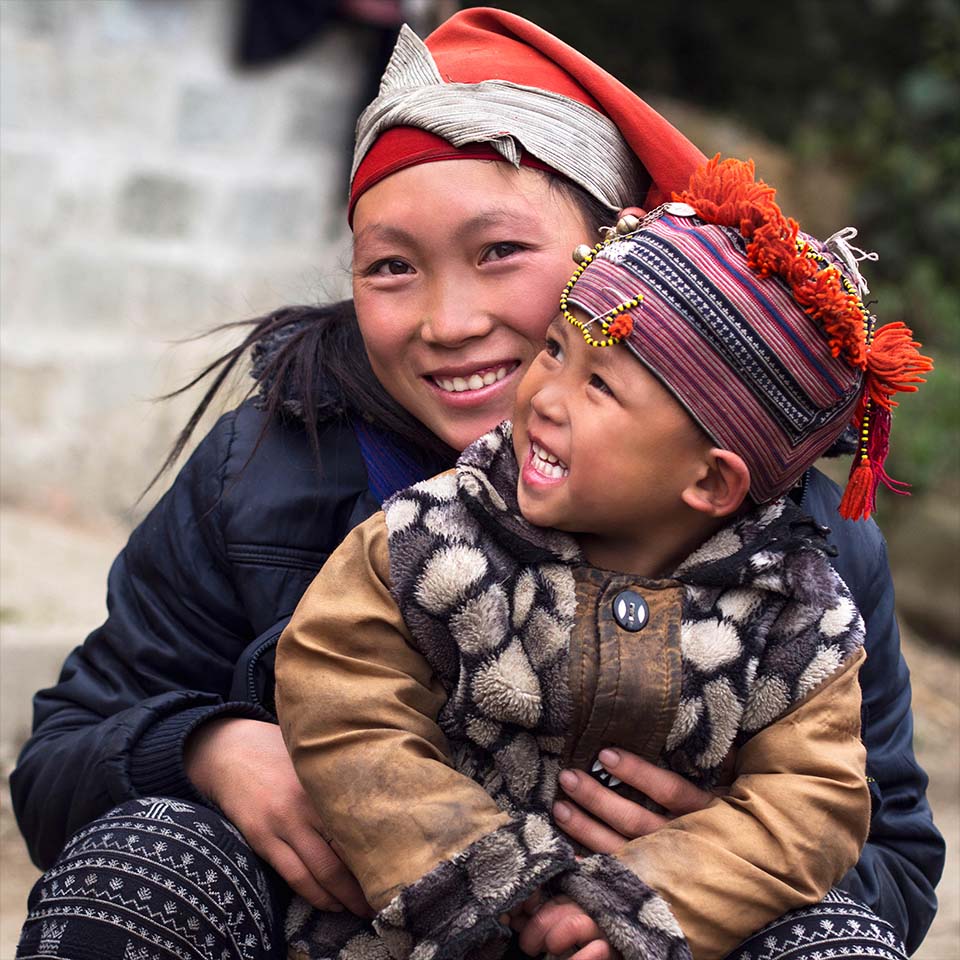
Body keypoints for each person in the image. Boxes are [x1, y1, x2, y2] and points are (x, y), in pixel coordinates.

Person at [10, 8, 942, 960]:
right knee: (144, 862)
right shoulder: (265, 476)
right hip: (335, 935)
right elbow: (57, 762)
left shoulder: (798, 552)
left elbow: (896, 865)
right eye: (390, 268)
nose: (449, 322)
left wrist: (718, 856)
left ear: (612, 259)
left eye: (500, 253)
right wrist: (208, 752)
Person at [274, 156, 930, 960]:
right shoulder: (433, 531)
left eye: (601, 387)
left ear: (710, 479)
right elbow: (339, 690)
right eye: (555, 349)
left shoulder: (799, 617)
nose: (545, 395)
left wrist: (645, 903)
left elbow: (812, 807)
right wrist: (473, 875)